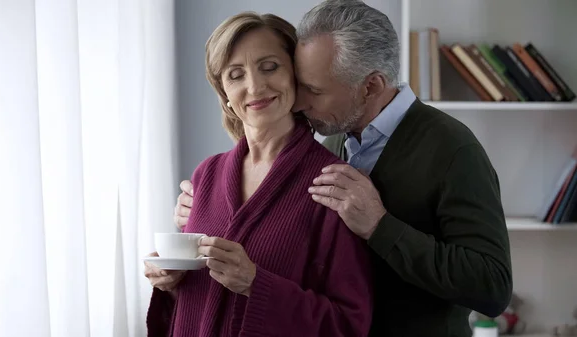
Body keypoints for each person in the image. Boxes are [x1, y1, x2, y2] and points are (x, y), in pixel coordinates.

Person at [174, 1, 514, 336]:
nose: (300, 101)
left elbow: (493, 287)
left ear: (371, 87)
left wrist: (380, 226)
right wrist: (206, 210)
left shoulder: (453, 149)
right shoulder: (334, 138)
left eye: (314, 90)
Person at [144, 11, 375, 337]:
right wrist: (169, 281)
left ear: (296, 75)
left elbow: (348, 326)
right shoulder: (206, 175)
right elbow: (191, 304)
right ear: (224, 93)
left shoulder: (333, 185)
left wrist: (256, 283)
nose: (255, 86)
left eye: (270, 67)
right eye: (235, 75)